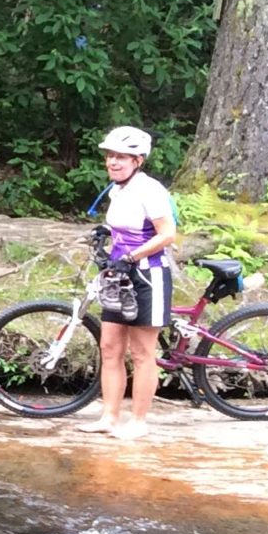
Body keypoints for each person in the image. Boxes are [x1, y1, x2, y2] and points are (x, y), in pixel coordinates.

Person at [83, 126, 178, 438]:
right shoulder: (117, 189)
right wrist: (105, 234)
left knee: (141, 352)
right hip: (118, 274)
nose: (113, 162)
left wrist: (134, 256)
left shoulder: (150, 191)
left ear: (137, 160)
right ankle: (109, 417)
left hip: (148, 275)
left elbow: (167, 235)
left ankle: (138, 422)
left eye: (121, 157)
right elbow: (125, 228)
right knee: (110, 347)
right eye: (110, 156)